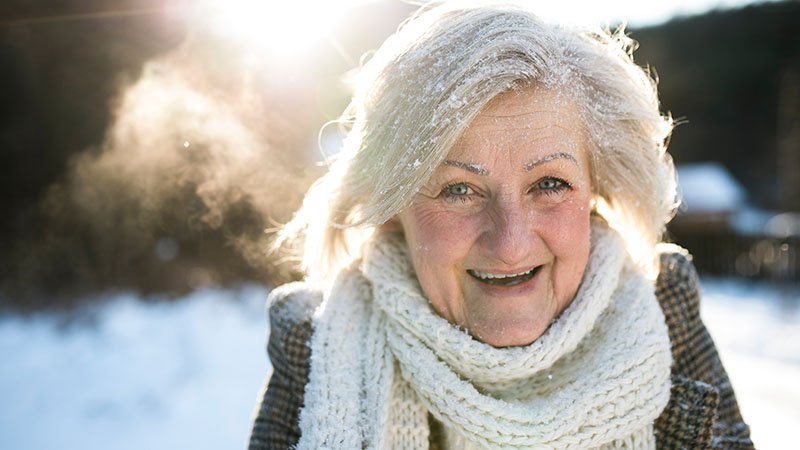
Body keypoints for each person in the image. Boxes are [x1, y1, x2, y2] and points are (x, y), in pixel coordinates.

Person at [249, 2, 754, 449]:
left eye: (550, 184)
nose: (510, 243)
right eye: (458, 190)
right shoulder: (315, 344)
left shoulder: (666, 312)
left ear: (595, 191)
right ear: (392, 212)